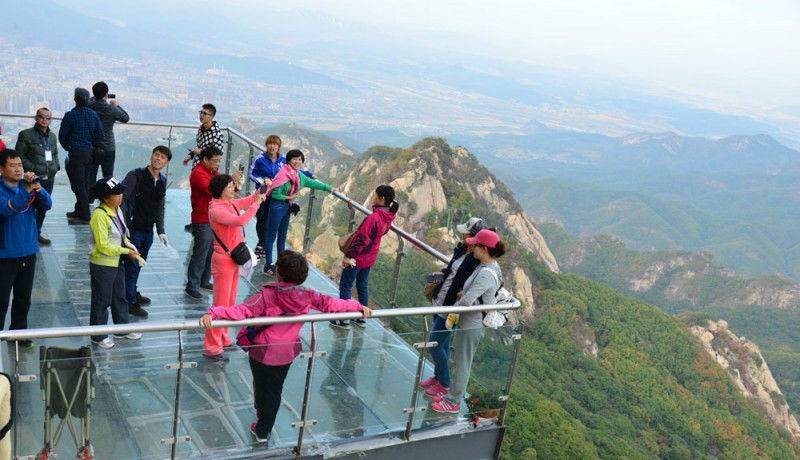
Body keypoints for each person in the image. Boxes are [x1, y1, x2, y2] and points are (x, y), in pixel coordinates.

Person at [199, 250, 372, 442]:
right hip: (286, 352)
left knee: (261, 386)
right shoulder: (307, 295)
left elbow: (242, 311)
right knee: (275, 389)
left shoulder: (266, 295)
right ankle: (263, 429)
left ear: (279, 273)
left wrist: (214, 313)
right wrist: (357, 307)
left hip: (261, 351)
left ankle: (261, 422)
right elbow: (331, 304)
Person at [429, 229, 506, 414]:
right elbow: (472, 292)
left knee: (463, 363)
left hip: (472, 325)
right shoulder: (486, 265)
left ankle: (453, 402)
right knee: (460, 360)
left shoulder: (487, 271)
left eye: (476, 245)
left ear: (484, 248)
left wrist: (458, 302)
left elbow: (468, 300)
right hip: (468, 323)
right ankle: (451, 395)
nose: (472, 248)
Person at [203, 174, 269, 360]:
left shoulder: (229, 203)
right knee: (220, 304)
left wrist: (264, 188)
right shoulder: (216, 209)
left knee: (230, 302)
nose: (234, 188)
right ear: (221, 189)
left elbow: (249, 200)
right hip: (223, 261)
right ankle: (211, 345)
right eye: (231, 186)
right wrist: (257, 203)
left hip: (233, 259)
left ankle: (223, 337)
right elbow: (241, 220)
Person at [420, 217, 486, 397]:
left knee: (434, 344)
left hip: (452, 307)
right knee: (444, 344)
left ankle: (445, 383)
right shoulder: (461, 249)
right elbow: (451, 270)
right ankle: (437, 376)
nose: (462, 234)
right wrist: (438, 276)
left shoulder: (477, 261)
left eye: (465, 232)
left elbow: (471, 286)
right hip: (441, 299)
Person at [0, 149, 52, 347]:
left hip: (28, 252)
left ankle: (18, 333)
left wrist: (37, 187)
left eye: (20, 165)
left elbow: (48, 204)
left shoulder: (28, 186)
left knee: (23, 298)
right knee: (1, 301)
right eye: (12, 166)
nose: (18, 169)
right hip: (5, 255)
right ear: (1, 169)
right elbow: (8, 208)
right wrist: (27, 191)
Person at [332, 185, 398, 328]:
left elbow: (362, 240)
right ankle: (361, 317)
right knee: (362, 285)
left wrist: (348, 257)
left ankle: (344, 319)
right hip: (370, 257)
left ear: (382, 199)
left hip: (358, 258)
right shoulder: (388, 216)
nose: (374, 198)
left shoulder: (374, 218)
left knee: (345, 286)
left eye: (376, 196)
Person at [88, 177, 143, 349]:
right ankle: (98, 335)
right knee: (101, 299)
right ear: (105, 198)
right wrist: (127, 251)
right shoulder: (99, 215)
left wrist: (130, 246)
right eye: (116, 193)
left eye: (121, 192)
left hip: (116, 261)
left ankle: (122, 329)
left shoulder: (117, 209)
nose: (121, 196)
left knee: (119, 296)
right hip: (103, 264)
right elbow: (103, 245)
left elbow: (122, 234)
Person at [263, 149, 333, 276]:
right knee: (271, 236)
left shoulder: (299, 175)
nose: (297, 161)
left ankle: (281, 264)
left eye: (300, 159)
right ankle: (268, 265)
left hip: (286, 207)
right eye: (294, 158)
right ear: (289, 160)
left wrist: (329, 188)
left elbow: (312, 183)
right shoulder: (283, 174)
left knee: (282, 236)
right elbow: (275, 193)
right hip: (277, 206)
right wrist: (289, 198)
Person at [121, 145, 172, 318]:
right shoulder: (136, 175)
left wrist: (161, 229)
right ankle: (129, 302)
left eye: (163, 157)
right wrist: (124, 224)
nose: (158, 159)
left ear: (166, 162)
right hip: (133, 229)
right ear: (151, 156)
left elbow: (160, 206)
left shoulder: (162, 181)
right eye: (156, 155)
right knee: (132, 266)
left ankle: (132, 291)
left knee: (139, 264)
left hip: (148, 230)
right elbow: (122, 200)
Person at [185, 147, 242, 298]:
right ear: (205, 160)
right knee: (200, 253)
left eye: (219, 160)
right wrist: (231, 180)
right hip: (202, 218)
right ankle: (192, 285)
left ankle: (204, 280)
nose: (217, 164)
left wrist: (232, 184)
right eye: (215, 161)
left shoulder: (212, 172)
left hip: (212, 218)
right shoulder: (198, 174)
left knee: (211, 251)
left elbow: (222, 189)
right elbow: (214, 190)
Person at [59, 87, 104, 224]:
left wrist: (70, 147)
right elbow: (100, 136)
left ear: (75, 100)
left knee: (78, 185)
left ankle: (84, 216)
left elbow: (62, 137)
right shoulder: (93, 115)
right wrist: (91, 146)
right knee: (84, 184)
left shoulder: (70, 115)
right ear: (87, 100)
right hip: (89, 155)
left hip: (76, 154)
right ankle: (79, 209)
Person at [15, 107, 60, 245]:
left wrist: (56, 167)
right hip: (33, 179)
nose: (45, 120)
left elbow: (55, 154)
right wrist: (35, 169)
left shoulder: (52, 136)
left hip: (49, 178)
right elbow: (20, 156)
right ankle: (26, 235)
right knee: (29, 207)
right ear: (36, 118)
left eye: (48, 118)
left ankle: (37, 233)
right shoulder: (26, 134)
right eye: (42, 117)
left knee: (43, 207)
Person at [249, 135, 285, 257]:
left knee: (272, 221)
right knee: (261, 218)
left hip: (277, 195)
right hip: (262, 194)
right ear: (266, 145)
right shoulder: (260, 159)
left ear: (279, 147)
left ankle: (266, 243)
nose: (272, 146)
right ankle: (261, 242)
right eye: (270, 143)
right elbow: (251, 173)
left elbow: (295, 171)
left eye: (275, 144)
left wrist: (310, 175)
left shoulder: (283, 160)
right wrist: (262, 180)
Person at [88, 81, 130, 180]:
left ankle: (90, 194)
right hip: (108, 147)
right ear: (106, 94)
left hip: (92, 146)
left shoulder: (89, 106)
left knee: (91, 176)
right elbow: (126, 118)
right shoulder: (111, 109)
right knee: (108, 176)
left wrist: (95, 97)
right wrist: (116, 105)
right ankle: (108, 195)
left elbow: (89, 101)